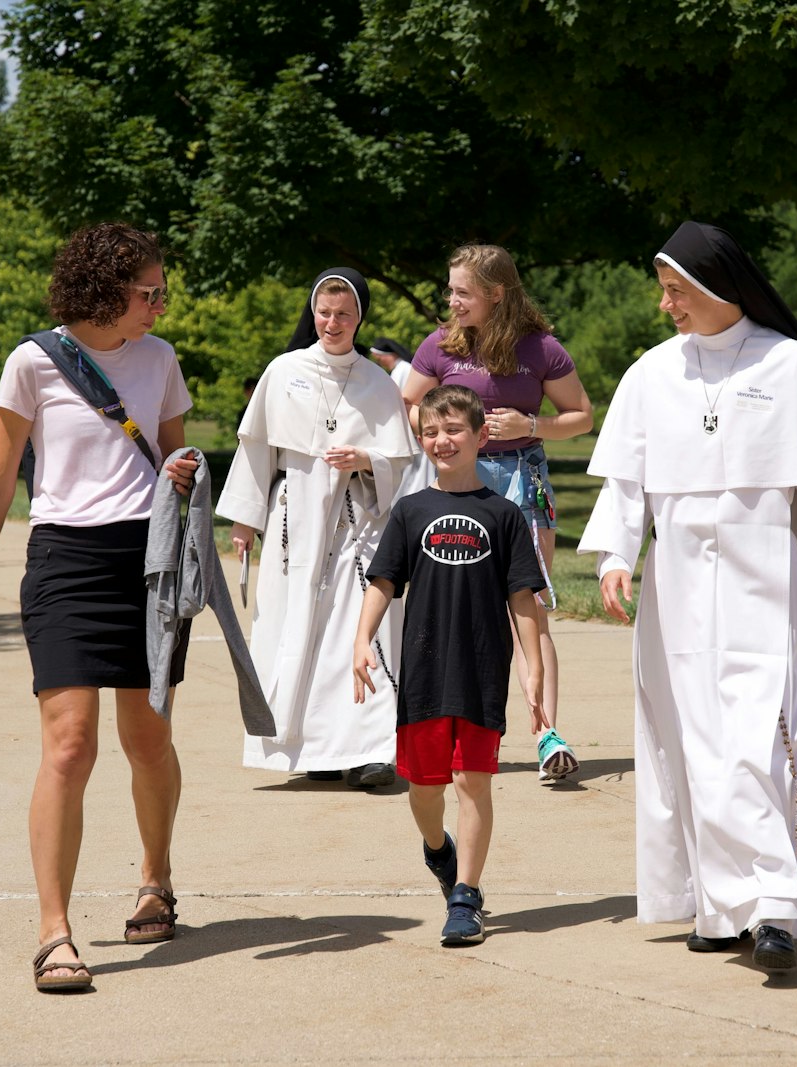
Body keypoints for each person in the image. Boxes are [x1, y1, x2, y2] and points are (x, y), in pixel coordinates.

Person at [577, 221, 797, 973]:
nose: (666, 307)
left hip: (766, 577)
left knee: (763, 738)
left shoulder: (789, 365)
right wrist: (614, 558)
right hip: (680, 586)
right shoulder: (650, 374)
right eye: (664, 292)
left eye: (677, 292)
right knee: (696, 746)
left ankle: (774, 908)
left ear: (720, 289)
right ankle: (722, 909)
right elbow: (627, 484)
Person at [0, 222, 201, 993]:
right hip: (64, 559)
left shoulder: (160, 360)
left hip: (148, 563)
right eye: (147, 292)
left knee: (148, 738)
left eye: (162, 291)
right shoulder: (34, 360)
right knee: (69, 745)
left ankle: (155, 876)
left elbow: (168, 459)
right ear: (104, 290)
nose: (159, 305)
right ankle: (53, 931)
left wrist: (185, 471)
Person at [353, 385, 546, 944]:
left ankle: (466, 896)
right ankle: (437, 848)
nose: (442, 440)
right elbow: (383, 580)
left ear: (481, 436)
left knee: (474, 781)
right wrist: (362, 639)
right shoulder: (411, 511)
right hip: (424, 670)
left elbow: (523, 598)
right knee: (424, 788)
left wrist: (533, 668)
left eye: (454, 429)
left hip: (482, 669)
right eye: (432, 432)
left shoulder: (505, 515)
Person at [215, 268, 419, 788]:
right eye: (324, 313)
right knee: (293, 625)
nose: (333, 323)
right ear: (313, 314)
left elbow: (401, 462)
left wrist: (368, 460)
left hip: (356, 521)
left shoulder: (375, 382)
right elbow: (257, 447)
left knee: (358, 629)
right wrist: (244, 520)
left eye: (344, 314)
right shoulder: (283, 371)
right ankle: (316, 751)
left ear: (359, 319)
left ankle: (371, 748)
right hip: (293, 520)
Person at [402, 244, 593, 783]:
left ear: (496, 293)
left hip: (521, 480)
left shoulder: (541, 349)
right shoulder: (440, 343)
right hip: (459, 484)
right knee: (458, 608)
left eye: (462, 291)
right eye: (451, 289)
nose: (452, 300)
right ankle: (453, 730)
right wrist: (442, 433)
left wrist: (531, 427)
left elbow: (580, 416)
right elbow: (410, 403)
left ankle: (547, 735)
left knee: (530, 607)